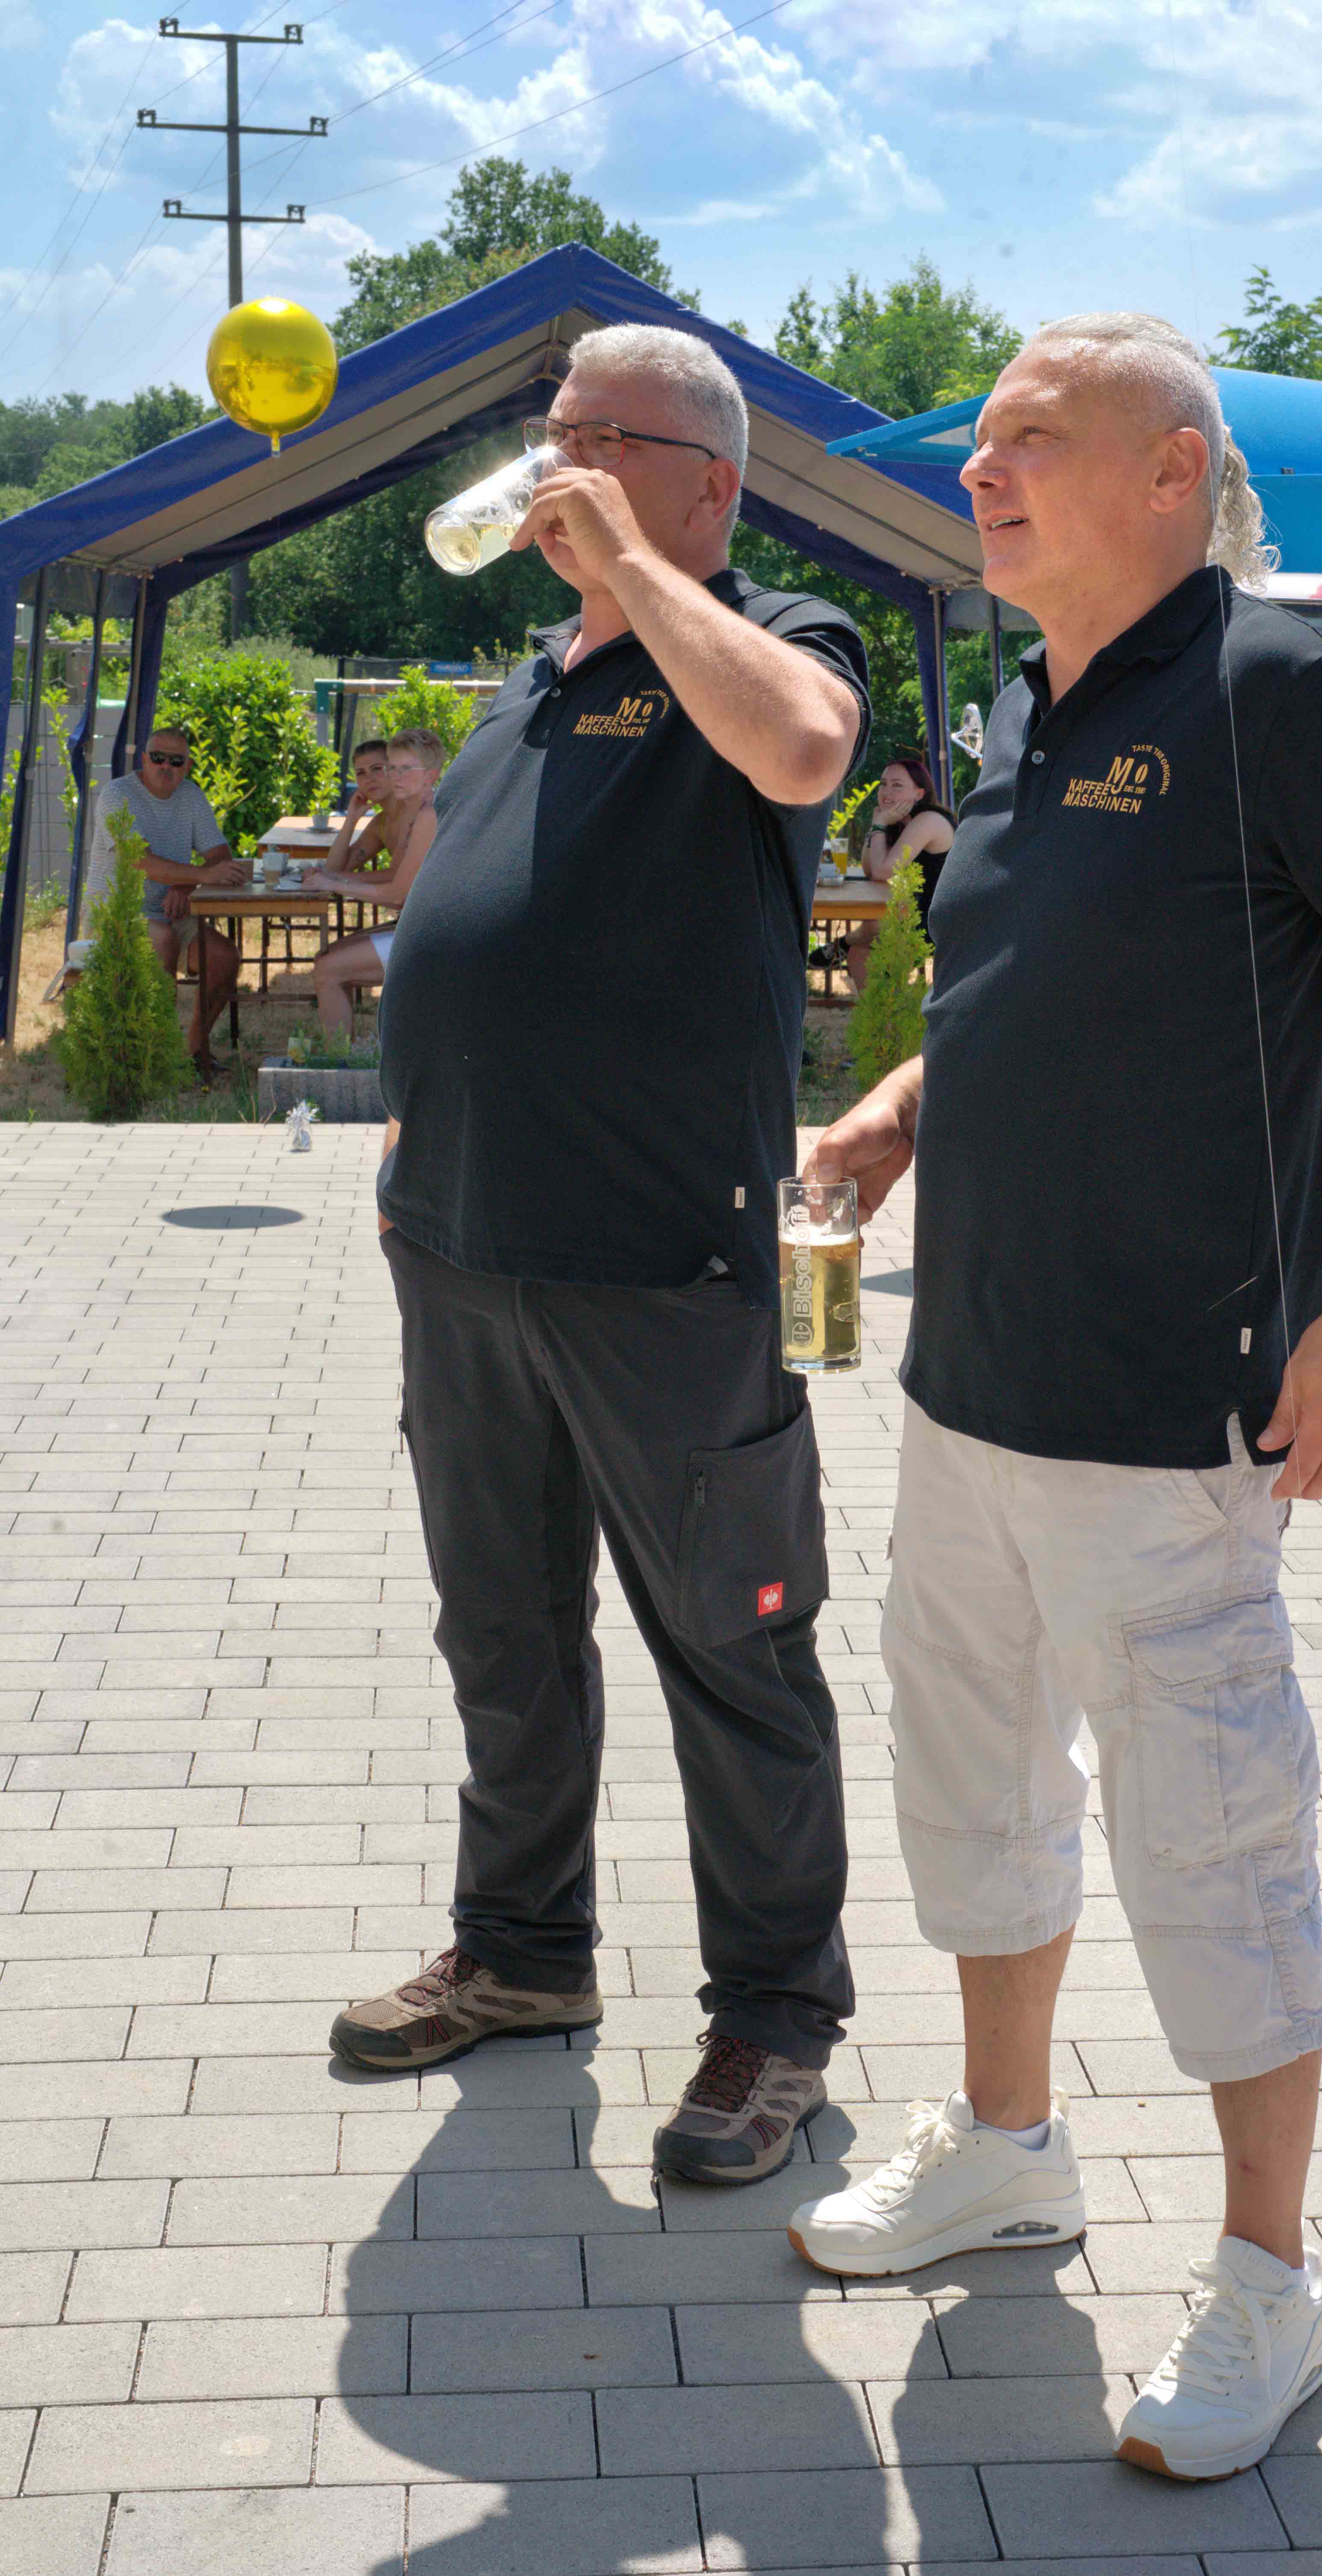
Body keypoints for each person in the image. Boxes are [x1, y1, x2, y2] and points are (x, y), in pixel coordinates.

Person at [787, 312, 1322, 2476]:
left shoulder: (1283, 690)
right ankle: (1008, 2146)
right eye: (983, 448)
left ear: (1173, 474)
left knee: (1215, 1849)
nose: (982, 474)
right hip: (964, 1382)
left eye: (1031, 443)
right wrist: (907, 1099)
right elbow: (1040, 981)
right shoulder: (1030, 703)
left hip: (1167, 1414)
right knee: (973, 1794)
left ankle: (1265, 2281)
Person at [328, 323, 872, 2191]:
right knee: (503, 1631)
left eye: (595, 435)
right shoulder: (522, 691)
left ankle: (775, 2016)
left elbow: (806, 753)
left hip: (661, 1262)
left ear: (706, 483)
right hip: (461, 1249)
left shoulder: (777, 635)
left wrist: (635, 574)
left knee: (732, 1647)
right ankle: (522, 1955)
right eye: (545, 428)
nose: (548, 459)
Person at [91, 727, 247, 1078]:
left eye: (176, 761)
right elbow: (138, 859)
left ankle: (193, 1053)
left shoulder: (190, 795)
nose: (166, 766)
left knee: (224, 956)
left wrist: (187, 885)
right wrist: (199, 877)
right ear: (143, 760)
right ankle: (154, 1055)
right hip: (117, 914)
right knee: (162, 938)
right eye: (158, 757)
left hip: (173, 914)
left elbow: (220, 855)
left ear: (187, 766)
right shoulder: (116, 795)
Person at [303, 729, 443, 1037]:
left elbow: (396, 894)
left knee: (327, 969)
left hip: (437, 939)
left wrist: (335, 883)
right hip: (416, 926)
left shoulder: (428, 816)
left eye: (404, 769)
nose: (394, 777)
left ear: (430, 776)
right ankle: (348, 1062)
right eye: (392, 768)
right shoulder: (417, 811)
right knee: (327, 959)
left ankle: (343, 1066)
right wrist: (350, 823)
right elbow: (344, 870)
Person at [844, 755, 954, 991]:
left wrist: (880, 825)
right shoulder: (901, 823)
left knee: (874, 927)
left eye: (897, 785)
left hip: (942, 921)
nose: (887, 791)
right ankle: (881, 1021)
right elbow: (870, 869)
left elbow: (881, 873)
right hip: (916, 915)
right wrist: (878, 826)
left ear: (919, 794)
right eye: (883, 784)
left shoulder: (928, 821)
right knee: (860, 952)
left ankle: (840, 944)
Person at [319, 739, 391, 876]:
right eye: (361, 773)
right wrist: (351, 819)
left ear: (395, 770)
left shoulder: (417, 815)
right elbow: (333, 870)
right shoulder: (381, 824)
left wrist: (336, 883)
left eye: (377, 769)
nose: (369, 779)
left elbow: (400, 881)